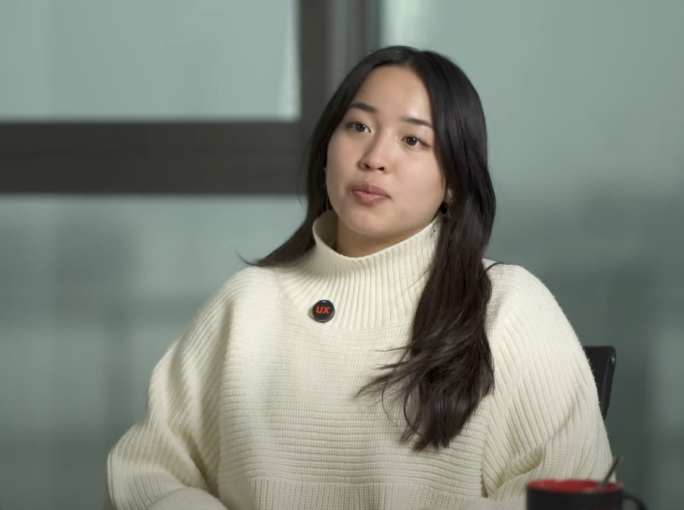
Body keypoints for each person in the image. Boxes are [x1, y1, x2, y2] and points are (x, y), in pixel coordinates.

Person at [102, 46, 613, 510]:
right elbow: (147, 474)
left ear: (454, 183)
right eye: (359, 127)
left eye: (412, 139)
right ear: (327, 147)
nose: (374, 158)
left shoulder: (508, 307)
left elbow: (569, 496)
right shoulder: (248, 303)